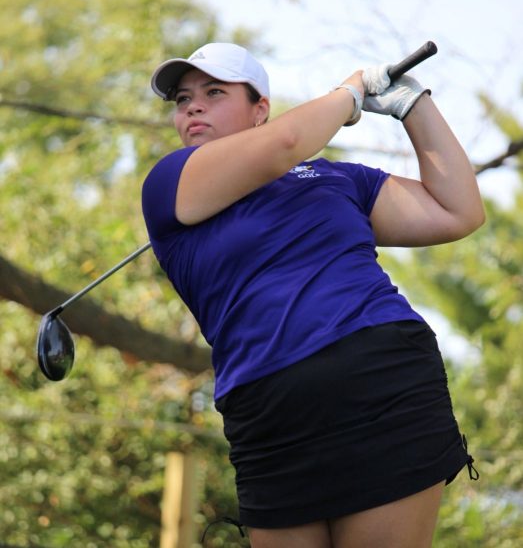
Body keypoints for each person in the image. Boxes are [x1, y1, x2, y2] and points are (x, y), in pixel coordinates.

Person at [142, 42, 484, 548]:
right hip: (266, 411)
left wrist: (415, 106)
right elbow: (285, 143)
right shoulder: (171, 181)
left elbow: (458, 211)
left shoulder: (332, 177)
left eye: (214, 92)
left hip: (380, 378)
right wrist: (349, 94)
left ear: (260, 109)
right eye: (182, 98)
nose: (192, 106)